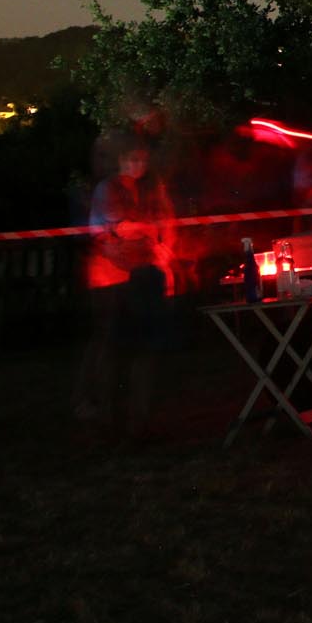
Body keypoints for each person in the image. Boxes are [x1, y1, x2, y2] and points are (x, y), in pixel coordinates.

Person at [74, 133, 178, 437]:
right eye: (132, 159)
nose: (138, 165)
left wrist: (159, 249)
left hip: (132, 276)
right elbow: (121, 227)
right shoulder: (110, 189)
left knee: (128, 342)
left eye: (142, 160)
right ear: (120, 161)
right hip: (108, 274)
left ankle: (122, 412)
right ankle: (95, 405)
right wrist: (146, 234)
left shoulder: (144, 189)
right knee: (108, 339)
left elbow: (160, 223)